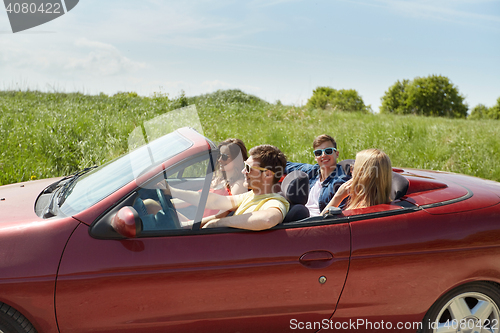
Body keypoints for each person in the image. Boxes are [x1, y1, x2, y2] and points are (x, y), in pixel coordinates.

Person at [168, 144, 290, 231]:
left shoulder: (275, 202)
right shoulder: (251, 195)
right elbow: (214, 201)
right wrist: (172, 191)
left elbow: (268, 219)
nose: (243, 171)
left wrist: (219, 223)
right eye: (244, 166)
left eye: (248, 168)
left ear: (267, 174)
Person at [285, 134, 350, 216]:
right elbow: (286, 165)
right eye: (318, 153)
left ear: (337, 154)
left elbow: (337, 216)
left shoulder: (341, 181)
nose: (323, 155)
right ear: (315, 157)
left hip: (317, 223)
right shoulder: (313, 171)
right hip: (301, 217)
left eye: (328, 151)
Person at [321, 148, 392, 213]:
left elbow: (318, 224)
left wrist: (338, 197)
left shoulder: (355, 213)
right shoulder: (393, 205)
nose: (351, 171)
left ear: (362, 176)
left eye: (353, 168)